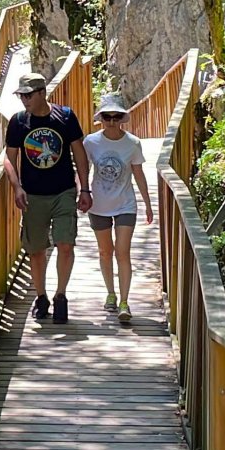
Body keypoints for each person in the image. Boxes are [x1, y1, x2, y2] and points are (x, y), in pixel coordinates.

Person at [3, 72, 91, 324]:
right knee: (36, 249)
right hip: (33, 195)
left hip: (64, 191)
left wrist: (84, 189)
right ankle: (41, 297)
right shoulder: (19, 122)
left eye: (28, 95)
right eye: (21, 96)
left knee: (66, 244)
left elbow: (79, 154)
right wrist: (16, 187)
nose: (24, 100)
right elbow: (9, 159)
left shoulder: (64, 117)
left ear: (42, 93)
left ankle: (60, 296)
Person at [82, 92, 152, 323]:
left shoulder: (132, 143)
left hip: (125, 205)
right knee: (105, 252)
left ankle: (124, 301)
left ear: (122, 118)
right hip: (99, 204)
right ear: (100, 118)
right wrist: (81, 193)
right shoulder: (90, 142)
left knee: (123, 252)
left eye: (116, 117)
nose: (112, 121)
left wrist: (148, 204)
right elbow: (82, 170)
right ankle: (110, 293)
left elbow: (139, 174)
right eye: (107, 117)